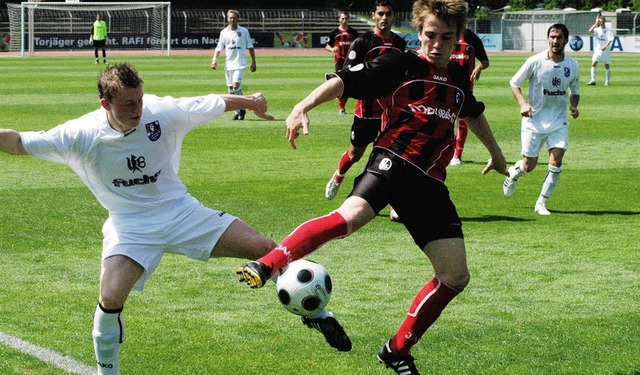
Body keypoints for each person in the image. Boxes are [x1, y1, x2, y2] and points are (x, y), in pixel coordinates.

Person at [0, 62, 349, 374]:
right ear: (105, 104)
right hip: (130, 226)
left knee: (265, 249)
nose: (138, 109)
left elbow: (213, 101)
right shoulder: (81, 134)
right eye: (128, 104)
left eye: (139, 100)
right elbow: (19, 142)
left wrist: (251, 102)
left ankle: (319, 316)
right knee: (110, 298)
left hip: (181, 212)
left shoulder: (161, 111)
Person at [237, 0, 507, 373]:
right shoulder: (401, 63)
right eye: (430, 35)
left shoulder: (459, 78)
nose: (437, 44)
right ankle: (268, 264)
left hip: (430, 184)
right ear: (420, 32)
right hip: (393, 161)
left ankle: (397, 351)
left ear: (458, 39)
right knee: (350, 217)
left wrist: (497, 153)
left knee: (455, 276)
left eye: (446, 37)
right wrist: (303, 105)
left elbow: (472, 111)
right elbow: (346, 80)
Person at [325, 0, 406, 202]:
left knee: (394, 157)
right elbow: (347, 74)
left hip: (393, 112)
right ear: (373, 15)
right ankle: (338, 176)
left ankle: (396, 201)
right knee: (355, 154)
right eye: (381, 14)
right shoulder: (362, 42)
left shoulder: (400, 44)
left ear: (393, 16)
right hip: (367, 111)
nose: (384, 18)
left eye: (388, 14)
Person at [503, 24, 580, 216]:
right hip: (534, 121)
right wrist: (523, 103)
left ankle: (541, 203)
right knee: (529, 166)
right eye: (552, 37)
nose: (555, 41)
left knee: (556, 161)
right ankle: (514, 173)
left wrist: (573, 106)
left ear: (566, 41)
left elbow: (575, 89)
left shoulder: (573, 65)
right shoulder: (535, 61)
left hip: (558, 121)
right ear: (548, 39)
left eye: (559, 37)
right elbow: (514, 83)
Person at [449, 28, 490, 166]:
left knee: (463, 121)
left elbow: (485, 61)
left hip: (465, 87)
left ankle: (457, 155)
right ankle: (444, 152)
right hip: (446, 83)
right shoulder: (448, 34)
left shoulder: (473, 39)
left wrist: (478, 68)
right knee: (445, 119)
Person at [211, 9, 257, 120]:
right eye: (230, 17)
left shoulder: (244, 31)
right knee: (230, 89)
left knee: (235, 86)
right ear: (227, 18)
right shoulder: (224, 32)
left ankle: (243, 106)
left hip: (240, 64)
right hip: (228, 65)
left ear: (238, 19)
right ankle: (238, 112)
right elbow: (219, 48)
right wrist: (214, 59)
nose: (232, 19)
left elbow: (250, 47)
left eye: (234, 17)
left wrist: (254, 62)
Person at [325, 11, 359, 115]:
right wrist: (332, 49)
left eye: (346, 18)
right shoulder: (334, 33)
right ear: (339, 19)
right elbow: (327, 46)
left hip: (351, 61)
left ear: (349, 19)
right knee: (341, 82)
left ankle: (352, 107)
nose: (344, 20)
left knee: (350, 83)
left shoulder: (354, 33)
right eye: (342, 18)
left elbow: (359, 45)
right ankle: (341, 108)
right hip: (339, 61)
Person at [586, 15, 613, 86]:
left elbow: (610, 39)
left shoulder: (608, 30)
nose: (601, 22)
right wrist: (595, 23)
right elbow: (590, 31)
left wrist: (605, 46)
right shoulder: (597, 29)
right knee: (593, 63)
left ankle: (607, 81)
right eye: (600, 21)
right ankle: (593, 80)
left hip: (606, 50)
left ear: (604, 21)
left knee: (606, 65)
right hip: (598, 50)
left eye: (602, 21)